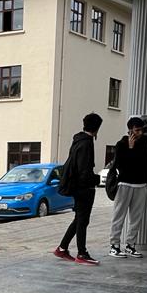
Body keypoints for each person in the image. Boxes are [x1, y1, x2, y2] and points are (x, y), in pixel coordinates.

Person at [54, 112, 103, 266]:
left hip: (77, 187)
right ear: (97, 128)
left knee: (79, 220)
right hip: (84, 189)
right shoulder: (86, 143)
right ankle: (82, 253)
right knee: (83, 220)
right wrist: (95, 179)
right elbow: (83, 170)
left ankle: (62, 248)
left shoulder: (78, 140)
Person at [107, 116, 147, 258]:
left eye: (141, 130)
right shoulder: (121, 145)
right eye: (137, 130)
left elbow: (146, 165)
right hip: (125, 183)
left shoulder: (144, 145)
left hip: (141, 185)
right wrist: (131, 149)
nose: (139, 133)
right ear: (130, 131)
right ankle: (114, 246)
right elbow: (122, 166)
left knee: (136, 217)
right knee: (119, 216)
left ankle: (130, 245)